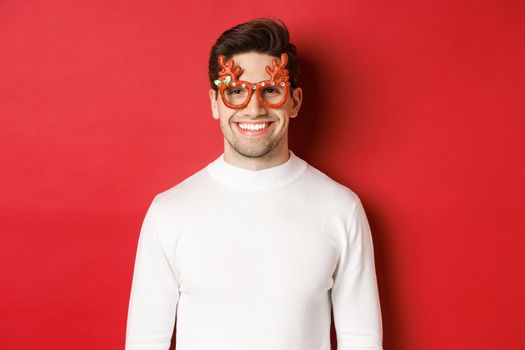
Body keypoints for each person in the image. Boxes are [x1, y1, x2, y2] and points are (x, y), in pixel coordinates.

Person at [125, 18, 383, 350]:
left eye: (271, 90)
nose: (253, 107)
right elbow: (146, 341)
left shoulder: (341, 209)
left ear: (295, 101)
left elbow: (361, 339)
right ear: (215, 103)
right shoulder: (168, 212)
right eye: (235, 91)